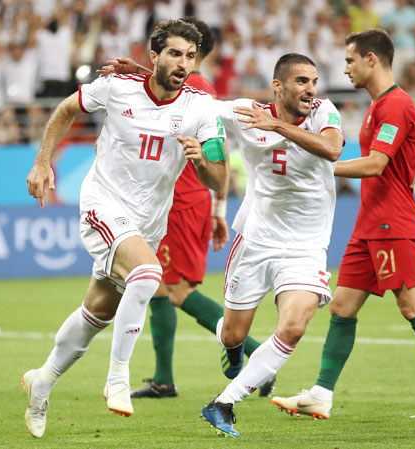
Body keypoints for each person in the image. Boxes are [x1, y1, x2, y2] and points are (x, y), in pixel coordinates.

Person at [21, 19, 227, 438]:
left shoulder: (201, 107)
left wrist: (200, 160)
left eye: (189, 56)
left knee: (97, 311)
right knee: (150, 275)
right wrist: (43, 160)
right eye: (174, 53)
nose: (183, 63)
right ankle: (118, 377)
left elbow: (219, 178)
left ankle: (41, 381)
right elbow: (65, 110)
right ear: (154, 57)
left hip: (148, 222)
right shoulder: (117, 87)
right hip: (104, 203)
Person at [271, 29, 415, 420]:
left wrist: (323, 172)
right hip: (369, 224)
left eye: (349, 60)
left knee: (413, 306)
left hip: (390, 223)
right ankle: (321, 394)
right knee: (342, 307)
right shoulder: (380, 105)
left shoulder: (395, 105)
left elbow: (377, 164)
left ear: (371, 59)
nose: (345, 69)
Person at [106, 17, 273, 401]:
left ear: (195, 53)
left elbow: (218, 153)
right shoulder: (196, 85)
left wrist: (216, 206)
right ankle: (164, 380)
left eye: (184, 51)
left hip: (182, 202)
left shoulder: (193, 88)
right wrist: (217, 209)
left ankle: (261, 360)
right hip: (183, 201)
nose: (178, 60)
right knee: (158, 288)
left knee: (176, 289)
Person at [200, 53, 344, 438]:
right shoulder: (247, 113)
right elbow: (194, 100)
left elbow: (332, 150)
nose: (310, 89)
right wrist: (145, 77)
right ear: (277, 86)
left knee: (294, 326)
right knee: (233, 334)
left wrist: (277, 125)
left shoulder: (323, 112)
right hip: (256, 241)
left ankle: (223, 403)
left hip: (306, 247)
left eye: (313, 81)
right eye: (300, 81)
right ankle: (232, 351)